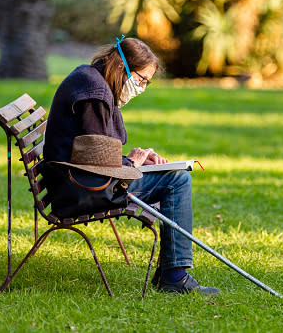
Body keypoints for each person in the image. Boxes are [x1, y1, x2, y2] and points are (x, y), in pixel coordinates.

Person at [42, 35, 219, 295]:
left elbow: (93, 149)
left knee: (173, 174)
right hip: (81, 189)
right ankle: (174, 277)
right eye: (141, 80)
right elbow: (96, 161)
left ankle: (173, 273)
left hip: (76, 179)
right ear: (122, 68)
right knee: (178, 180)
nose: (142, 87)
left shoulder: (91, 79)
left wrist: (132, 160)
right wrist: (131, 163)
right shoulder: (95, 93)